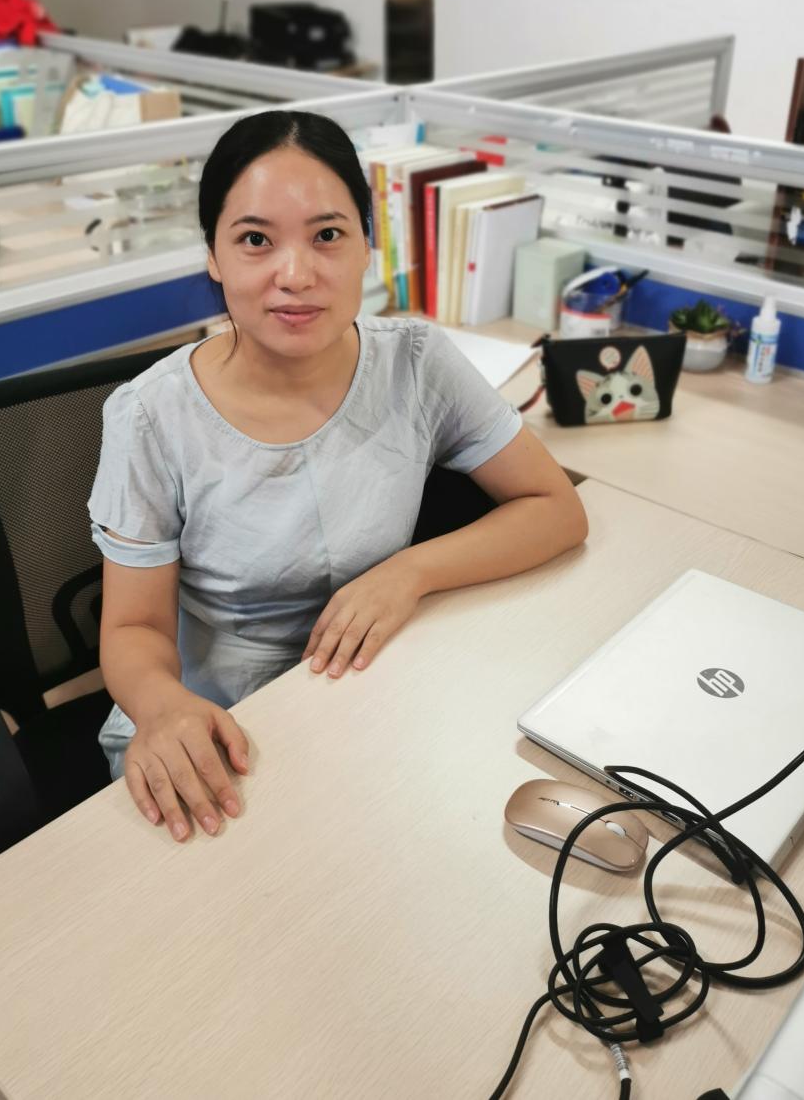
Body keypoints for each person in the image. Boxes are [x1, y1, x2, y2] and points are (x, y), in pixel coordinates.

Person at [88, 110, 588, 843]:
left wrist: (410, 572)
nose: (296, 275)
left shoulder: (415, 361)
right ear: (214, 257)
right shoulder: (149, 417)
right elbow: (135, 627)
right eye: (255, 240)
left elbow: (555, 507)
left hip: (373, 690)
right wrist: (162, 709)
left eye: (327, 235)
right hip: (219, 720)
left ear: (367, 247)